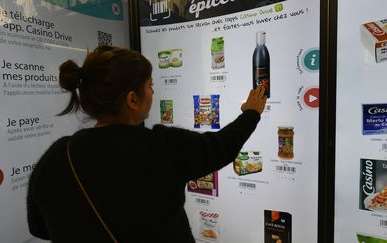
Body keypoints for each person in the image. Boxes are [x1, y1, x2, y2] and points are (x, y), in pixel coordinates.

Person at [27, 45, 267, 243]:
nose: (153, 92)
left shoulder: (59, 155)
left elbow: (39, 227)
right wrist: (251, 113)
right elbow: (221, 146)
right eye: (150, 85)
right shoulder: (161, 147)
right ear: (133, 99)